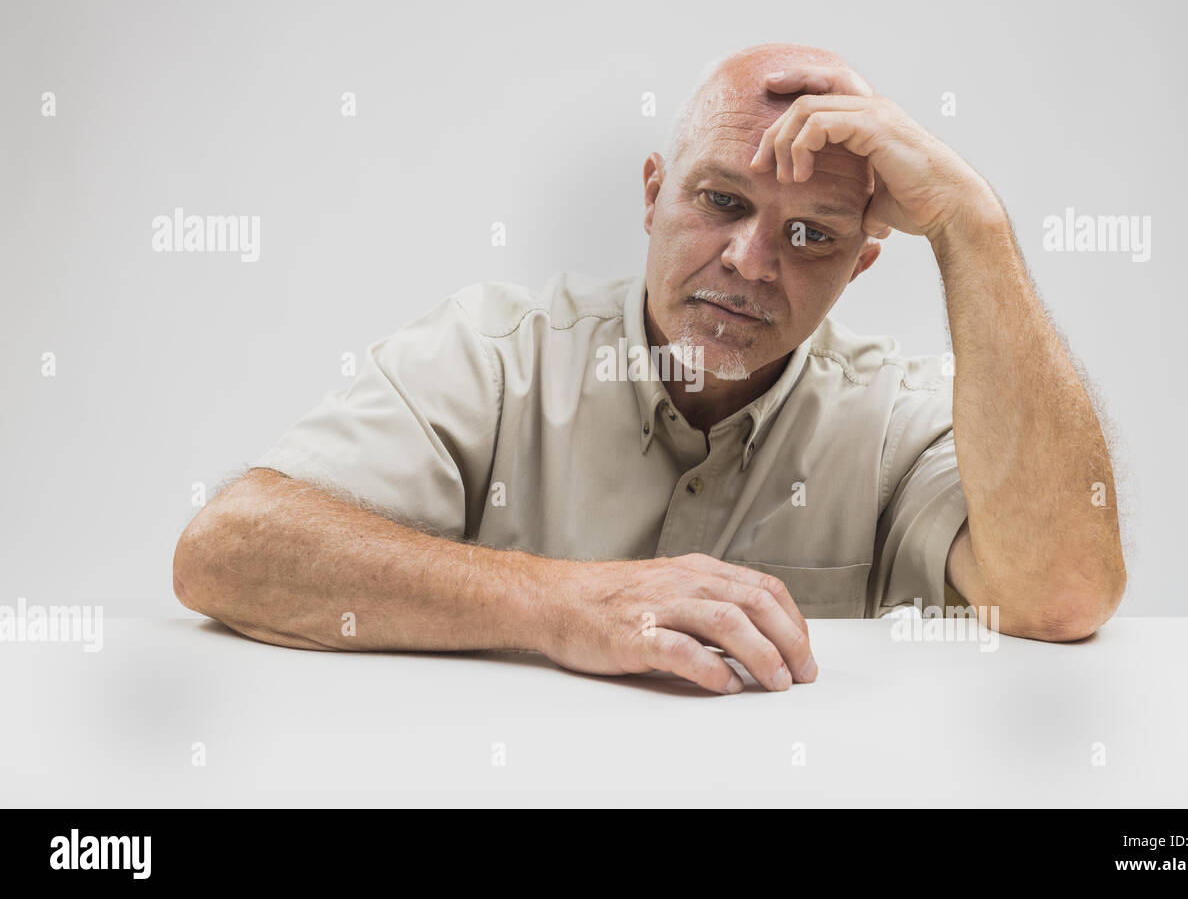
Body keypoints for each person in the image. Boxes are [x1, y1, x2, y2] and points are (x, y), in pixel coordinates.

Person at [173, 42, 1127, 695]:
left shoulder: (896, 416)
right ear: (652, 194)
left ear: (860, 264)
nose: (753, 261)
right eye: (721, 199)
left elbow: (1062, 592)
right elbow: (230, 550)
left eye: (810, 234)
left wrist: (974, 225)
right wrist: (560, 603)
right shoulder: (500, 357)